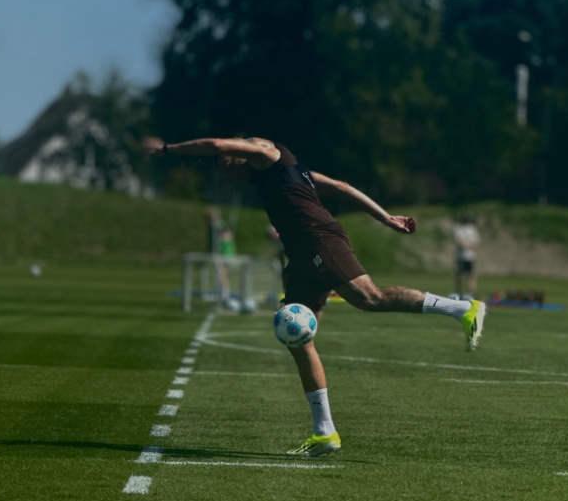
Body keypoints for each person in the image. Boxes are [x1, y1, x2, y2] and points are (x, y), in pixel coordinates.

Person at [144, 136, 485, 456]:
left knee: (370, 298)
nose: (230, 173)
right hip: (302, 257)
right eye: (225, 172)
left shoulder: (266, 151)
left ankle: (463, 308)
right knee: (295, 336)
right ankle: (325, 431)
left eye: (228, 165)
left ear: (238, 152)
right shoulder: (286, 174)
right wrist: (385, 217)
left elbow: (215, 143)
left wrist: (166, 150)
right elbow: (341, 187)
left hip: (320, 241)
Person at [453, 212, 481, 299]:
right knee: (460, 274)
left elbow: (477, 241)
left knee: (471, 275)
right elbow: (459, 242)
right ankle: (459, 293)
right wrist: (469, 244)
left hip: (470, 256)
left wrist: (470, 244)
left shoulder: (472, 228)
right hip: (461, 256)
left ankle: (472, 293)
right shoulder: (458, 228)